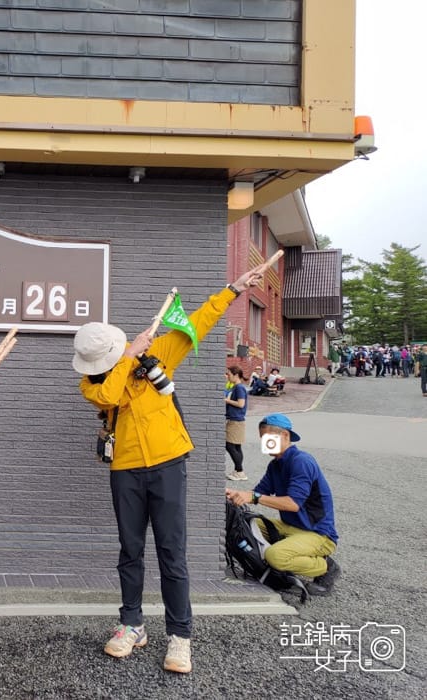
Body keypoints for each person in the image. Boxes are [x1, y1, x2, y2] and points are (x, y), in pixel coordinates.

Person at [71, 260, 269, 675]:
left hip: (168, 464)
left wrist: (233, 289)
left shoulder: (158, 353)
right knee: (130, 550)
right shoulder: (93, 383)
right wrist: (127, 358)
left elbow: (198, 322)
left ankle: (180, 635)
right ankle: (132, 625)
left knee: (171, 551)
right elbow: (109, 396)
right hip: (125, 469)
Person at [225, 413, 340, 596]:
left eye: (268, 438)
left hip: (319, 534)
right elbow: (258, 492)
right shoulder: (275, 465)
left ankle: (326, 566)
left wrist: (253, 497)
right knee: (243, 523)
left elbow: (292, 504)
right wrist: (235, 494)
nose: (264, 443)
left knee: (275, 556)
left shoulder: (301, 462)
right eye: (262, 439)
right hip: (291, 526)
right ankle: (288, 555)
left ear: (285, 435)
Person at [224, 366, 249, 481]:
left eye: (229, 374)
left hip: (236, 420)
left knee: (229, 445)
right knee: (236, 446)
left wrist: (226, 400)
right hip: (237, 420)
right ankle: (238, 471)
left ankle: (240, 471)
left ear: (236, 375)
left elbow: (241, 404)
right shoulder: (236, 387)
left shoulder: (239, 388)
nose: (228, 376)